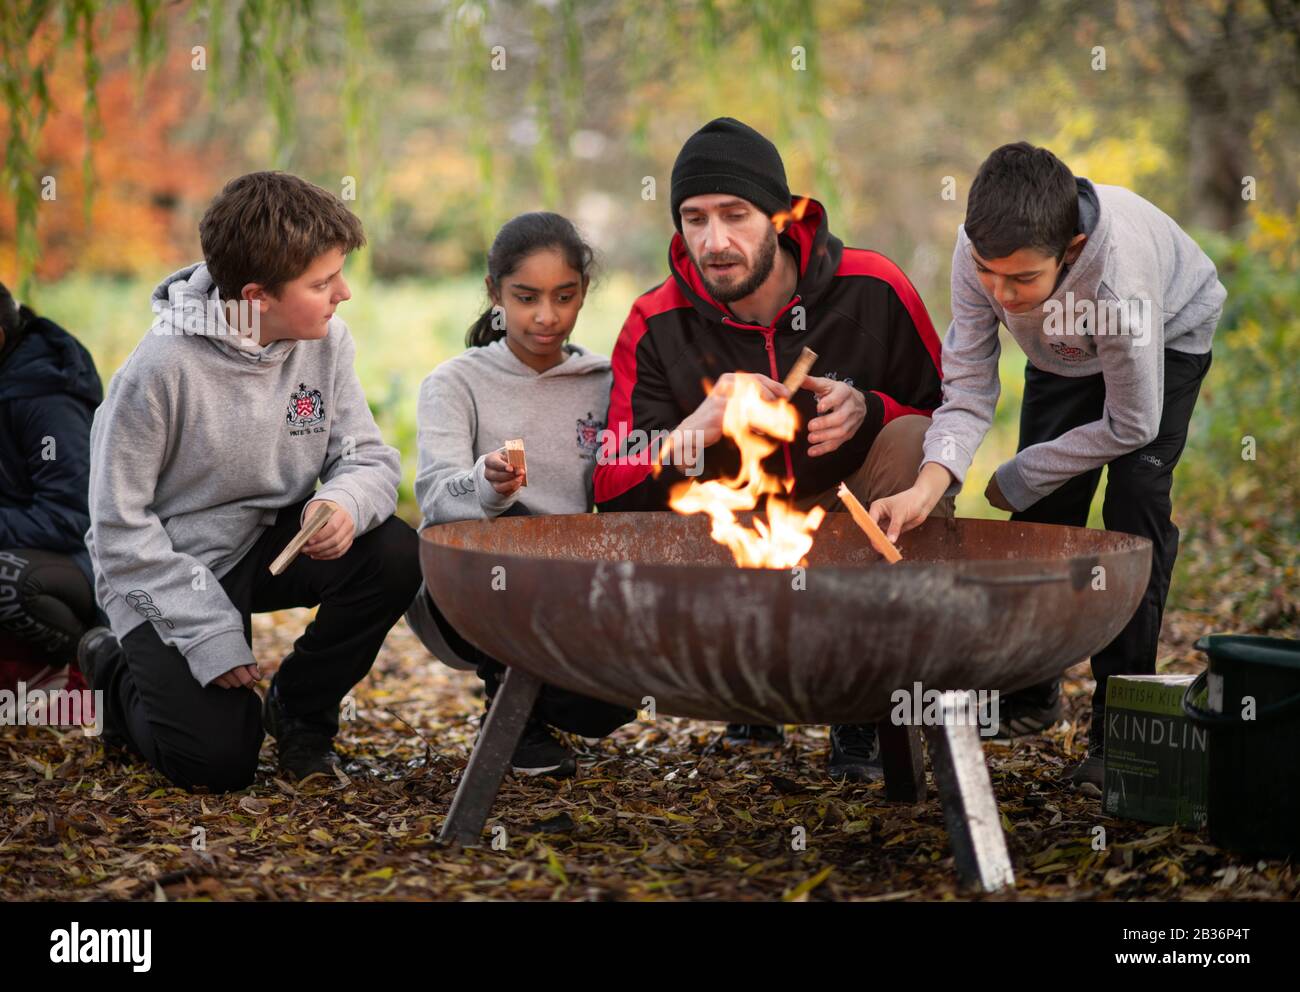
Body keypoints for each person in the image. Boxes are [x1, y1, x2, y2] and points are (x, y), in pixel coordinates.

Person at [593, 117, 952, 782]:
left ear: (780, 216)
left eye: (735, 215)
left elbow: (951, 419)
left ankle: (867, 701)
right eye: (694, 219)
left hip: (848, 518)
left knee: (916, 438)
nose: (714, 241)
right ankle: (750, 687)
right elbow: (610, 487)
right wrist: (694, 428)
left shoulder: (873, 285)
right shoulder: (655, 318)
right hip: (732, 536)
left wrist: (874, 408)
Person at [870, 142, 1223, 787]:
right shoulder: (978, 251)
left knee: (1133, 510)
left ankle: (1123, 723)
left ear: (1073, 249)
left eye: (1021, 279)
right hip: (1063, 353)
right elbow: (971, 385)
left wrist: (1022, 471)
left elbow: (1133, 422)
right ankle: (1031, 693)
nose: (1002, 294)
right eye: (988, 272)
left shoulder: (1118, 279)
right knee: (1045, 515)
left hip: (1166, 338)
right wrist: (929, 483)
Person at [77, 171, 422, 790]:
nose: (343, 292)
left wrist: (344, 501)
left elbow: (367, 457)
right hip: (170, 566)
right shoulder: (157, 371)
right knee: (217, 766)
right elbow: (117, 532)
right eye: (322, 283)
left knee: (395, 553)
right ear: (258, 295)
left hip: (270, 547)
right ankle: (110, 667)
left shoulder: (325, 341)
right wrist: (209, 635)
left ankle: (300, 711)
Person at [407, 212, 635, 778]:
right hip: (469, 585)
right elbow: (435, 495)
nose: (546, 317)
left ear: (584, 293)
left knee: (610, 707)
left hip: (572, 583)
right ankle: (511, 718)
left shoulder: (604, 382)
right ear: (495, 294)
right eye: (526, 297)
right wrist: (486, 484)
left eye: (565, 296)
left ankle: (535, 700)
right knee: (519, 524)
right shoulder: (454, 384)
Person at [0, 282, 102, 699]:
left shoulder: (47, 400)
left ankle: (95, 662)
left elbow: (72, 516)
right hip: (23, 542)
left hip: (82, 561)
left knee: (3, 582)